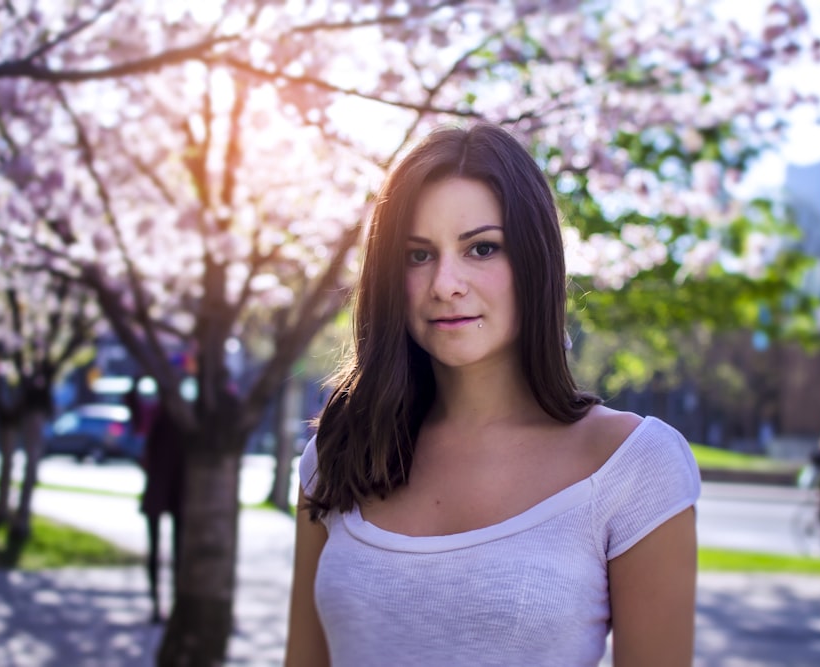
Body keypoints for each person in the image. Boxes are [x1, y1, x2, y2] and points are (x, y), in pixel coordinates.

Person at [285, 123, 701, 666]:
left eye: (482, 248)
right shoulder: (338, 455)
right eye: (418, 255)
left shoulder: (634, 467)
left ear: (534, 260)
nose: (445, 284)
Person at [139, 403, 185, 624]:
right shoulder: (161, 414)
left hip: (174, 493)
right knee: (161, 552)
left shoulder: (182, 417)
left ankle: (172, 604)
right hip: (167, 491)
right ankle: (158, 603)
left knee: (177, 553)